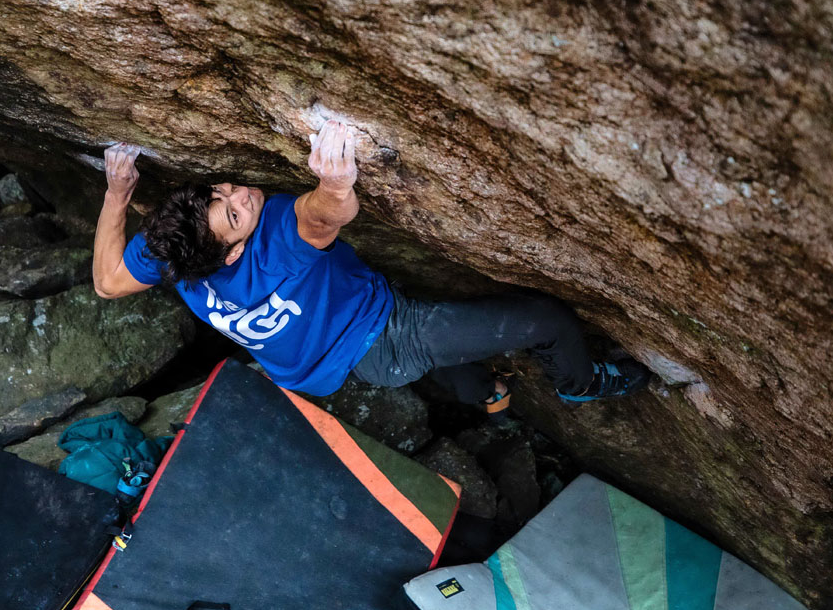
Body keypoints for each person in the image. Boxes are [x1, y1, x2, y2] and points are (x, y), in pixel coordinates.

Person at [92, 121, 648, 416]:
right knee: (545, 320)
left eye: (225, 191)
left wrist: (118, 191)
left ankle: (487, 393)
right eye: (237, 214)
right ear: (233, 252)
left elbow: (107, 282)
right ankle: (581, 385)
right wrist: (334, 180)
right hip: (386, 337)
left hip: (321, 361)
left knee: (438, 343)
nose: (245, 194)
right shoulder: (276, 238)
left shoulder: (174, 251)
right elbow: (324, 215)